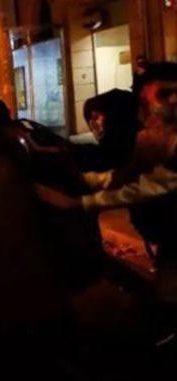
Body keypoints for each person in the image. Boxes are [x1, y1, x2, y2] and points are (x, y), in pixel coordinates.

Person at [36, 63, 177, 340]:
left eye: (149, 105)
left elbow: (146, 186)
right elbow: (126, 177)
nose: (143, 115)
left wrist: (80, 203)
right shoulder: (156, 141)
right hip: (169, 237)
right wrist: (85, 183)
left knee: (167, 296)